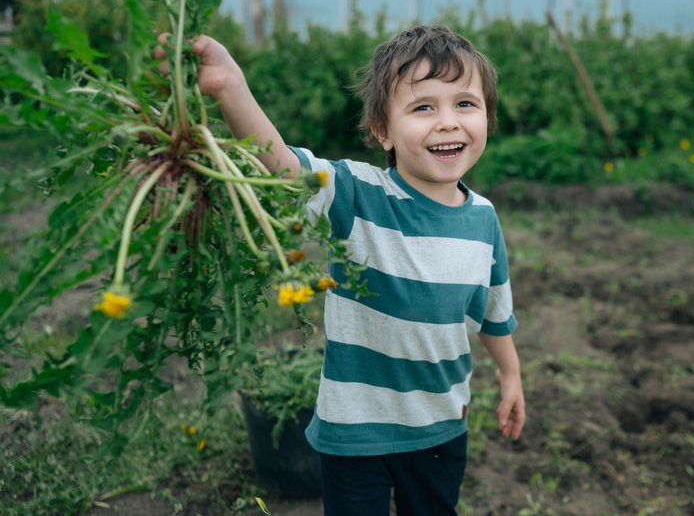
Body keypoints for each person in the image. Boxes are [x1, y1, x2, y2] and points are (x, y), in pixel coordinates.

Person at [186, 25, 525, 515]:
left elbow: (494, 310)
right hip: (355, 431)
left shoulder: (483, 218)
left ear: (488, 119)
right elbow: (282, 172)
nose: (448, 122)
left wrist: (511, 374)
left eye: (465, 104)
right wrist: (230, 88)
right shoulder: (356, 194)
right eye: (423, 107)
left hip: (439, 426)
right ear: (382, 130)